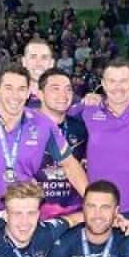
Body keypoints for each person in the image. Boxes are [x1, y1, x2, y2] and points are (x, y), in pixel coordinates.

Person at [0, 65, 87, 240]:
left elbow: (71, 165)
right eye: (8, 88)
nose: (15, 95)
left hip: (22, 220)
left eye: (21, 89)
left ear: (28, 93)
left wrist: (93, 202)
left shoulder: (43, 124)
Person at [80, 58, 129, 234]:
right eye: (112, 81)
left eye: (124, 81)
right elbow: (51, 114)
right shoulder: (87, 111)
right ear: (103, 84)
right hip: (98, 206)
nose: (118, 87)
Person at [34, 69, 87, 219]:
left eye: (68, 89)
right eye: (55, 89)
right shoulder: (24, 127)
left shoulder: (81, 129)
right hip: (34, 215)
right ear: (40, 94)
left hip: (74, 213)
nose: (63, 95)